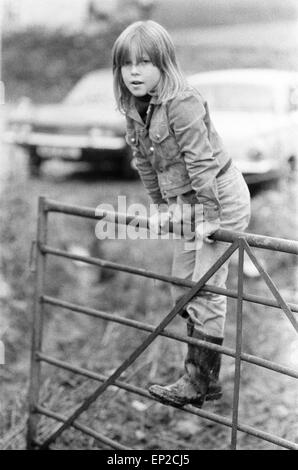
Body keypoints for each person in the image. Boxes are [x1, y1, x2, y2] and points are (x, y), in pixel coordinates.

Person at [112, 20, 251, 408]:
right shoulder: (133, 107)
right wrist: (161, 207)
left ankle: (197, 380)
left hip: (219, 195)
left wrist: (209, 213)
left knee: (205, 286)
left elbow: (200, 160)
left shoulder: (182, 100)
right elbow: (144, 162)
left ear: (164, 65)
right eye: (126, 65)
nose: (134, 72)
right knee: (182, 285)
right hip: (187, 203)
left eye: (144, 63)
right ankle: (207, 379)